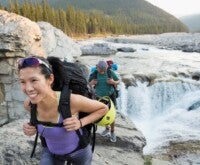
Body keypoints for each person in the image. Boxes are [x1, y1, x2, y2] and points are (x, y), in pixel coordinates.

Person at [18, 55, 108, 165]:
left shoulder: (71, 101)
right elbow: (41, 123)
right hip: (51, 153)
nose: (28, 88)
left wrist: (80, 123)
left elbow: (103, 108)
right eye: (22, 82)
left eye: (34, 80)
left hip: (80, 152)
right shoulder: (29, 105)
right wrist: (32, 127)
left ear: (50, 79)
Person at [89, 60, 120, 142]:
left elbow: (119, 81)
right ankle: (107, 128)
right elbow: (87, 84)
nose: (103, 72)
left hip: (110, 96)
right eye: (101, 70)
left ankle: (112, 132)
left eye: (104, 70)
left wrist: (113, 82)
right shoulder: (94, 73)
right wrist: (91, 83)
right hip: (99, 97)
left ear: (106, 68)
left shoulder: (110, 72)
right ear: (97, 67)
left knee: (112, 114)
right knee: (103, 114)